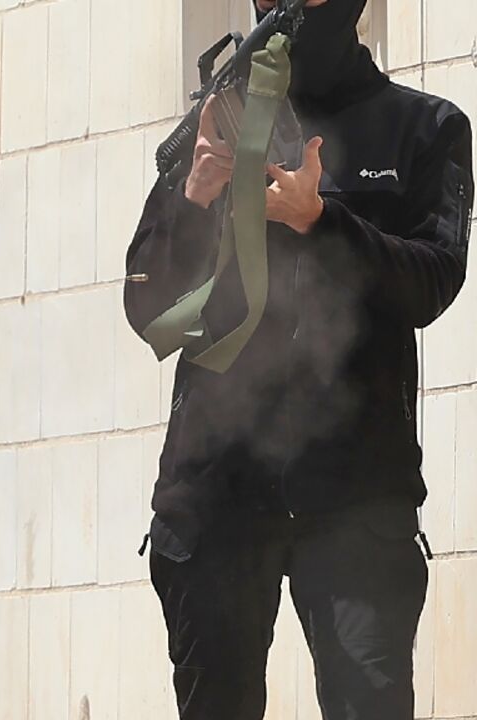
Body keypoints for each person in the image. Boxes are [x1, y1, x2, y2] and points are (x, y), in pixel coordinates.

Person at [124, 1, 472, 718]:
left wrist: (324, 222)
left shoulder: (427, 127)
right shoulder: (216, 120)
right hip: (214, 495)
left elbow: (433, 281)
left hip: (355, 495)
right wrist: (194, 202)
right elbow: (145, 304)